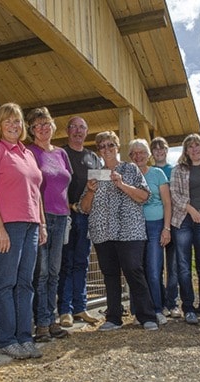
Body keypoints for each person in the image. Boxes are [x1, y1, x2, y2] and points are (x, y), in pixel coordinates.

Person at [0, 103, 46, 359]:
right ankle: (6, 339)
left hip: (31, 225)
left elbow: (36, 191)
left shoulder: (27, 154)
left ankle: (24, 337)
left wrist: (42, 223)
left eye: (17, 121)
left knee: (26, 283)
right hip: (7, 225)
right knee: (6, 283)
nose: (14, 125)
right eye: (8, 121)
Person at [79, 131, 159, 331]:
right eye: (102, 146)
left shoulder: (130, 168)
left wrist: (121, 184)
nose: (106, 149)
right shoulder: (96, 174)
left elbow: (144, 196)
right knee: (110, 274)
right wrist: (90, 190)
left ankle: (146, 315)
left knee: (133, 269)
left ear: (117, 147)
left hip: (129, 230)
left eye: (110, 145)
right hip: (102, 231)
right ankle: (114, 317)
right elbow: (84, 208)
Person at [26, 107, 71, 342]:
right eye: (37, 125)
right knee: (41, 273)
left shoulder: (62, 154)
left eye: (47, 124)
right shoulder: (29, 152)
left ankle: (52, 320)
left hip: (62, 216)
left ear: (53, 127)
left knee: (54, 271)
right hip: (40, 217)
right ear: (31, 130)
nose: (43, 128)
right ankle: (41, 324)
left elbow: (65, 182)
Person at [170, 134, 200, 326]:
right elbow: (174, 194)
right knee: (183, 267)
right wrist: (190, 209)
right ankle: (189, 308)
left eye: (197, 145)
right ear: (185, 150)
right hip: (184, 220)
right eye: (190, 146)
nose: (194, 149)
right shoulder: (178, 170)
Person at [58, 116, 101, 327]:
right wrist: (69, 206)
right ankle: (65, 310)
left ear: (86, 132)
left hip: (85, 216)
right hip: (64, 215)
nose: (77, 131)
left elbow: (100, 187)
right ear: (67, 131)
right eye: (73, 127)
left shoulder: (93, 157)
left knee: (82, 262)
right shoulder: (60, 153)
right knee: (66, 262)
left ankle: (81, 308)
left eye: (81, 127)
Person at [128, 139, 172, 326]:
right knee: (136, 270)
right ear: (130, 156)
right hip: (134, 227)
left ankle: (156, 309)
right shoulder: (128, 174)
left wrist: (166, 228)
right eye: (134, 153)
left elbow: (167, 203)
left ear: (148, 155)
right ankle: (139, 311)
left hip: (155, 226)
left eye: (142, 152)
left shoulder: (157, 173)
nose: (138, 156)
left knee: (154, 270)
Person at [151, 137, 181, 319]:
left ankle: (173, 302)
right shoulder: (150, 171)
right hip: (155, 222)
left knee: (174, 265)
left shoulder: (175, 170)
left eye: (161, 148)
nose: (159, 151)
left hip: (174, 222)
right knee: (156, 266)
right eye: (155, 149)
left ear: (167, 150)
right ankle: (159, 301)